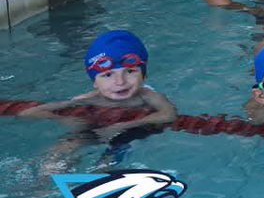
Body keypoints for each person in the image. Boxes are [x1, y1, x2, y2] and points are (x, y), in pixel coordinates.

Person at [20, 30, 178, 172]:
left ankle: (98, 177)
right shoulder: (87, 100)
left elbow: (168, 115)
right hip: (95, 130)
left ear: (143, 75)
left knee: (108, 161)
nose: (120, 82)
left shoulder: (148, 97)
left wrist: (123, 125)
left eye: (130, 72)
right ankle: (42, 185)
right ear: (95, 82)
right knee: (59, 151)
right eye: (108, 75)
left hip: (129, 133)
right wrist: (63, 117)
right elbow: (36, 112)